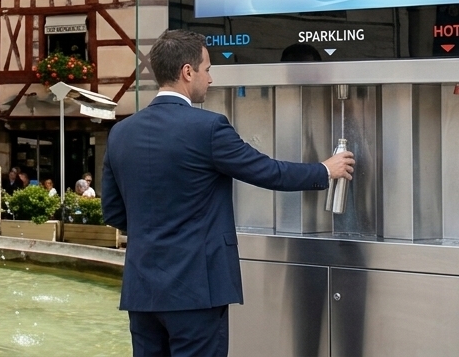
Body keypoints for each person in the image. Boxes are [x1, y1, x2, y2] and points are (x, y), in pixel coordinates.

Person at [102, 30, 354, 357]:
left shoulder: (121, 133)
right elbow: (267, 171)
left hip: (142, 291)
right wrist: (324, 169)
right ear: (187, 72)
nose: (210, 77)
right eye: (206, 69)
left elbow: (113, 212)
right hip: (197, 291)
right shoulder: (207, 128)